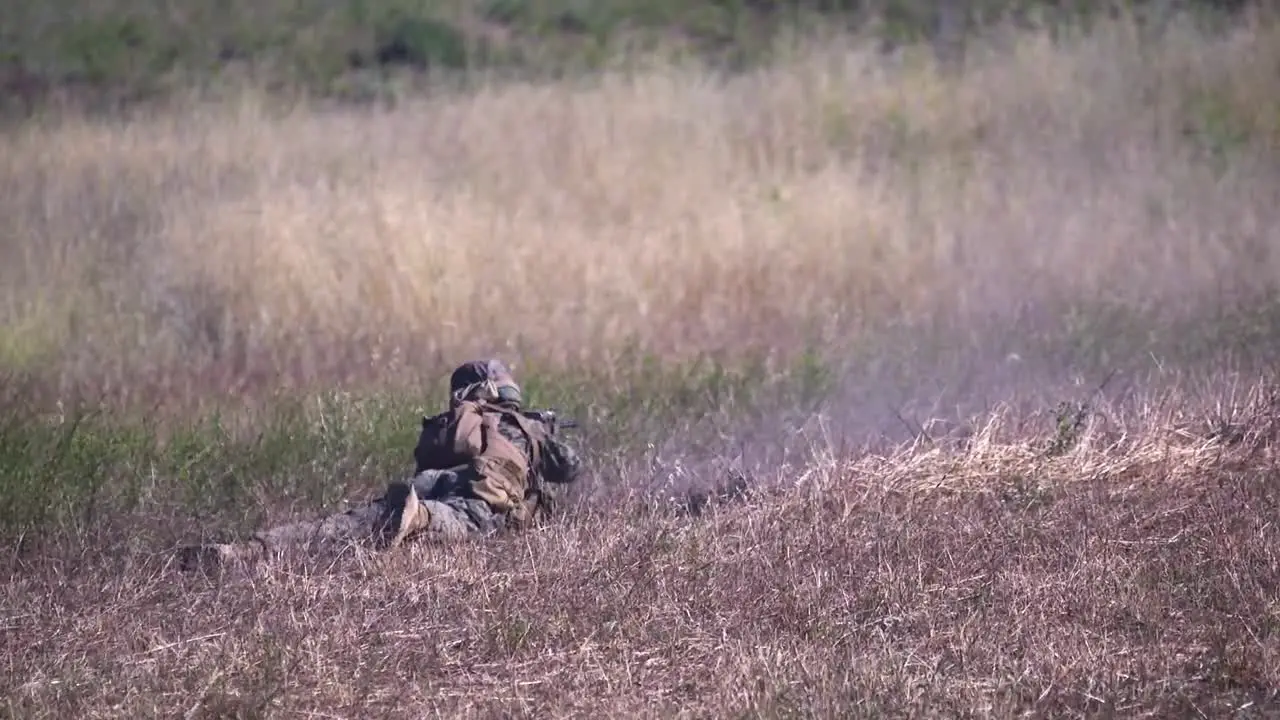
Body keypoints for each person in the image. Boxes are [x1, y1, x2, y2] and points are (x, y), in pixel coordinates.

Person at [176, 359, 584, 572]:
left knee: (354, 522)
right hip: (476, 490)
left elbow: (431, 460)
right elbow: (568, 468)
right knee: (464, 520)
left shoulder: (465, 419)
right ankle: (421, 518)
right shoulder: (523, 425)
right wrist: (545, 432)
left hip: (430, 480)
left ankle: (247, 551)